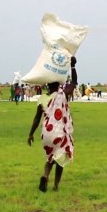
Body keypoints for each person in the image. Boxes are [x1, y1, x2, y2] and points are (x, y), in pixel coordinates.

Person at [28, 57, 78, 192]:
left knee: (50, 157)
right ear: (59, 84)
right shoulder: (63, 95)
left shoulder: (42, 99)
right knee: (60, 159)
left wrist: (30, 134)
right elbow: (74, 83)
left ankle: (45, 175)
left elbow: (36, 119)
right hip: (59, 133)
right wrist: (73, 66)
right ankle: (55, 186)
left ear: (47, 85)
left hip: (46, 134)